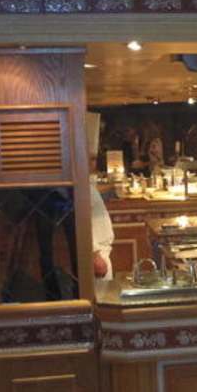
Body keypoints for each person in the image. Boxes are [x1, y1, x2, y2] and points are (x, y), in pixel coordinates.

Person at [85, 113, 114, 279]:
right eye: (91, 159)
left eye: (94, 159)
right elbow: (80, 222)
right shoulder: (80, 189)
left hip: (102, 253)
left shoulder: (86, 182)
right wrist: (94, 254)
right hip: (96, 256)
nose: (93, 164)